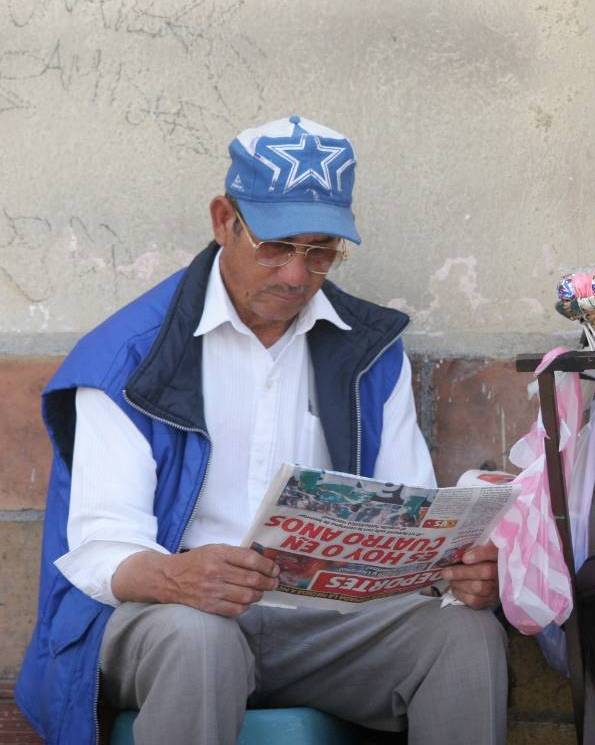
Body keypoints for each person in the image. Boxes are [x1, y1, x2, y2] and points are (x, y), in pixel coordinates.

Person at [16, 116, 507, 745]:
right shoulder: (133, 356)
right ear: (225, 220)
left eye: (321, 251)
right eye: (275, 245)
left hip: (323, 626)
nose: (296, 276)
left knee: (461, 635)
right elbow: (99, 550)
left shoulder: (368, 352)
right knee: (201, 636)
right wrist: (178, 577)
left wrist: (455, 571)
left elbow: (410, 520)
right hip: (163, 621)